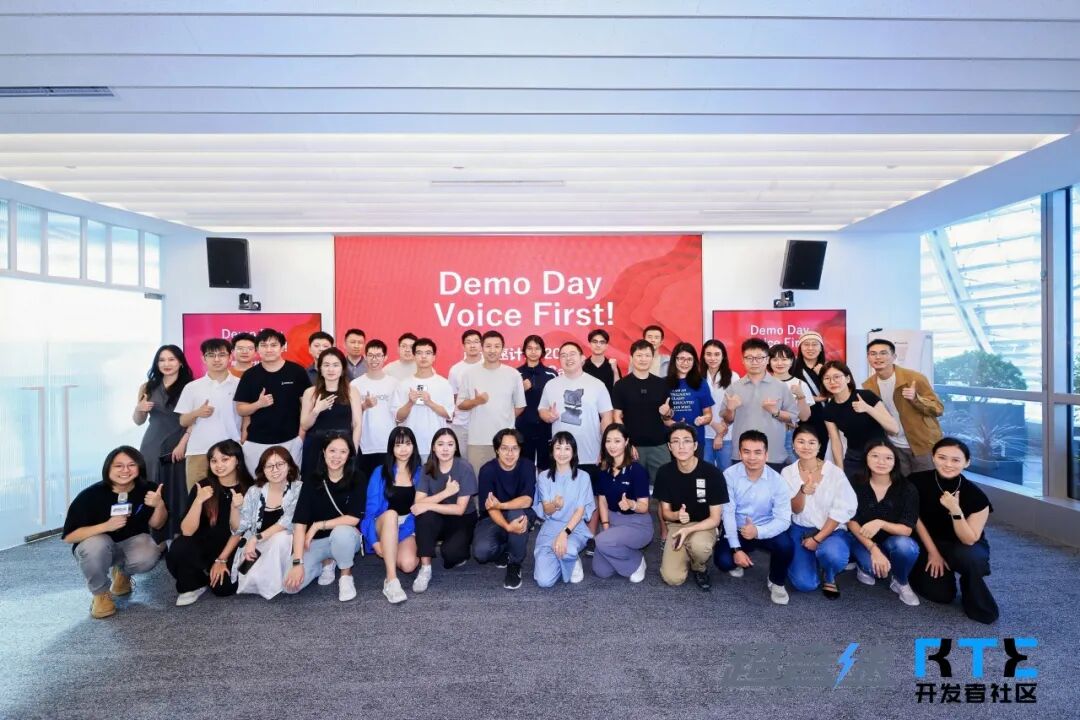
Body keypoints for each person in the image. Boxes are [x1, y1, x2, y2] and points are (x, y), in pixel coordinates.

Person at [63, 446, 167, 618]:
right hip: (98, 548)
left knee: (149, 553)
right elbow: (69, 536)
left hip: (131, 544)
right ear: (108, 468)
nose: (125, 470)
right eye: (118, 466)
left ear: (139, 467)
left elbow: (157, 524)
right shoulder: (89, 495)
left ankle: (122, 573)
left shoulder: (148, 489)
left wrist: (159, 505)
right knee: (95, 545)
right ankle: (100, 594)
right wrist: (106, 526)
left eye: (131, 465)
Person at [908, 438, 999, 624]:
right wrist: (933, 553)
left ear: (967, 463)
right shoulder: (915, 481)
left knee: (971, 558)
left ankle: (972, 586)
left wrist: (956, 511)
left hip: (962, 545)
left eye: (956, 460)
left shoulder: (977, 496)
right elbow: (915, 520)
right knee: (941, 595)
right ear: (933, 457)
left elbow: (969, 539)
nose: (948, 464)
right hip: (928, 542)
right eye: (942, 457)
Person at [539, 341, 613, 538]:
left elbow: (607, 417)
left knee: (591, 495)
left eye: (572, 354)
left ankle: (589, 536)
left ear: (582, 358)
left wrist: (604, 448)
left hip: (589, 451)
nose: (568, 358)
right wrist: (548, 416)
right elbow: (542, 410)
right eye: (563, 355)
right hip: (561, 454)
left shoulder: (596, 385)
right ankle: (564, 532)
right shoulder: (552, 385)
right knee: (563, 494)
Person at [166, 439, 253, 606]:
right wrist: (198, 501)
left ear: (238, 460)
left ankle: (212, 571)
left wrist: (221, 560)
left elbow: (240, 530)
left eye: (225, 459)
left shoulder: (250, 488)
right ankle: (194, 583)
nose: (219, 465)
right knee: (178, 548)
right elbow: (187, 531)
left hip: (234, 547)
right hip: (204, 545)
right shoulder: (202, 487)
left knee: (224, 589)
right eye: (214, 460)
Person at [715, 430, 795, 605]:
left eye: (758, 452)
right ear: (740, 453)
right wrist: (736, 549)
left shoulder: (778, 481)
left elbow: (783, 520)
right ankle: (740, 556)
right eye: (746, 451)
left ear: (766, 455)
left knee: (786, 546)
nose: (752, 457)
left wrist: (758, 531)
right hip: (737, 529)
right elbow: (727, 513)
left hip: (766, 528)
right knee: (723, 562)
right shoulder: (729, 475)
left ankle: (776, 581)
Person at [283, 433, 365, 602]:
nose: (337, 456)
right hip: (316, 542)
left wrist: (318, 525)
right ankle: (326, 562)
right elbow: (300, 523)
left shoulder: (357, 478)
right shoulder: (311, 480)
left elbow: (354, 518)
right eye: (332, 450)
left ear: (349, 455)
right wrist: (297, 562)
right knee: (290, 587)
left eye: (343, 451)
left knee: (342, 532)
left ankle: (346, 575)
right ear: (324, 452)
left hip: (346, 538)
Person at [781, 424, 856, 599]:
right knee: (805, 584)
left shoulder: (834, 472)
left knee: (833, 555)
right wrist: (802, 491)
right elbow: (794, 509)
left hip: (831, 530)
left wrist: (817, 538)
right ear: (793, 445)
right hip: (800, 530)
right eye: (801, 441)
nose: (806, 447)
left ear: (819, 446)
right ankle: (808, 559)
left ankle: (829, 574)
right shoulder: (787, 472)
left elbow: (843, 510)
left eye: (811, 442)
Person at [845, 439, 921, 606]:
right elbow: (851, 521)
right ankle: (862, 563)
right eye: (875, 456)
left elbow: (907, 529)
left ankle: (900, 581)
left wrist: (880, 523)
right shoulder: (855, 482)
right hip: (862, 539)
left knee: (907, 547)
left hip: (892, 540)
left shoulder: (907, 488)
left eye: (888, 458)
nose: (881, 462)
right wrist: (873, 549)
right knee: (872, 570)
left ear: (895, 462)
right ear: (866, 458)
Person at [654, 423, 728, 590]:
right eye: (676, 441)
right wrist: (676, 516)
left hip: (704, 524)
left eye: (686, 441)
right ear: (669, 447)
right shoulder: (664, 472)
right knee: (672, 578)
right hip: (676, 525)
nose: (681, 446)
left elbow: (715, 519)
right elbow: (665, 513)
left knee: (700, 547)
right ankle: (686, 552)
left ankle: (699, 566)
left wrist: (689, 530)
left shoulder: (712, 474)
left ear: (695, 445)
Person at [863, 338, 945, 476]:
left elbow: (938, 408)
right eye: (873, 353)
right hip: (893, 445)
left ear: (894, 356)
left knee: (928, 483)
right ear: (868, 358)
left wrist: (916, 399)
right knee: (902, 484)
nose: (878, 357)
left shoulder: (914, 378)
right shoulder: (869, 385)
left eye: (883, 353)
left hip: (923, 444)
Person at [234, 328, 310, 474]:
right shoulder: (250, 375)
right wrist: (258, 404)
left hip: (291, 440)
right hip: (256, 441)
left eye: (273, 345)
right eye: (263, 345)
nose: (269, 349)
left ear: (282, 347)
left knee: (290, 482)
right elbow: (241, 409)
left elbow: (306, 406)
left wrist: (301, 437)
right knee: (259, 483)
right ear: (257, 349)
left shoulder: (297, 372)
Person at [230, 445, 302, 600]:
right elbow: (239, 528)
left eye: (280, 464)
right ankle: (263, 577)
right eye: (269, 466)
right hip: (257, 546)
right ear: (263, 470)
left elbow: (287, 521)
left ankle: (272, 584)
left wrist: (255, 538)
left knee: (281, 537)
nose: (275, 470)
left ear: (289, 466)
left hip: (287, 546)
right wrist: (234, 508)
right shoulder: (254, 491)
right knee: (247, 579)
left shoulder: (298, 488)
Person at [412, 428, 478, 593]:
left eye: (450, 444)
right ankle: (425, 568)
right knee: (424, 517)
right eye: (440, 444)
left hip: (463, 518)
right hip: (438, 516)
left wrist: (428, 504)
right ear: (433, 448)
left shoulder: (464, 468)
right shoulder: (427, 468)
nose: (445, 449)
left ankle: (460, 547)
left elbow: (459, 509)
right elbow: (418, 502)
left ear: (456, 448)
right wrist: (446, 493)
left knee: (451, 556)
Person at [361, 427, 422, 604]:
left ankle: (393, 551)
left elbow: (419, 510)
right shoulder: (380, 472)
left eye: (407, 444)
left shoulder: (421, 473)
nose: (403, 449)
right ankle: (391, 580)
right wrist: (375, 542)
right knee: (391, 514)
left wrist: (397, 537)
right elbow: (369, 513)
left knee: (409, 565)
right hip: (383, 522)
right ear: (391, 448)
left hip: (408, 524)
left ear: (414, 446)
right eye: (398, 445)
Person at [471, 428, 537, 590]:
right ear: (496, 450)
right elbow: (490, 508)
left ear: (520, 450)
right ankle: (505, 548)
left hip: (520, 513)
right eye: (504, 448)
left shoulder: (528, 466)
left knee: (517, 515)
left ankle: (514, 564)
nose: (510, 453)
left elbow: (526, 500)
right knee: (481, 552)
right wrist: (507, 526)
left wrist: (501, 505)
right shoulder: (487, 470)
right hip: (492, 517)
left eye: (514, 448)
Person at [722, 338, 799, 473]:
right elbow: (727, 420)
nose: (754, 362)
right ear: (743, 360)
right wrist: (730, 409)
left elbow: (794, 417)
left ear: (767, 359)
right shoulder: (734, 388)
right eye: (749, 358)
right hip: (743, 455)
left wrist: (776, 412)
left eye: (759, 357)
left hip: (773, 454)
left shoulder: (780, 386)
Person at [177, 338, 242, 492]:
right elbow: (183, 421)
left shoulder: (240, 384)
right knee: (197, 498)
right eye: (211, 355)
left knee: (233, 497)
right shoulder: (192, 387)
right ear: (203, 358)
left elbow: (247, 416)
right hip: (199, 451)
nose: (217, 359)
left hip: (231, 451)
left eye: (221, 355)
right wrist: (197, 413)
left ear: (230, 357)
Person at [457, 330, 527, 472]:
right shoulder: (469, 374)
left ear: (503, 349)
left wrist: (504, 417)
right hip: (478, 440)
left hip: (506, 441)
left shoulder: (513, 374)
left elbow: (520, 406)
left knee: (506, 482)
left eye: (497, 346)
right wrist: (476, 401)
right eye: (488, 346)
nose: (492, 350)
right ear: (482, 348)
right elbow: (460, 404)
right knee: (478, 480)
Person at [532, 432, 596, 587]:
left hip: (574, 527)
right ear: (552, 451)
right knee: (544, 581)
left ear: (573, 452)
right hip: (550, 528)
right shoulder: (544, 477)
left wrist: (564, 534)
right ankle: (563, 559)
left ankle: (572, 559)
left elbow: (580, 511)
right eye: (558, 448)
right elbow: (546, 509)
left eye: (567, 448)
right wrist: (555, 505)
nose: (562, 453)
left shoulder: (583, 477)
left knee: (568, 549)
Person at [820, 360, 900, 480]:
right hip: (854, 456)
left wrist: (868, 408)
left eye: (837, 377)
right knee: (851, 489)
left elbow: (894, 428)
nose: (832, 382)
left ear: (847, 378)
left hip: (880, 453)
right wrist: (840, 470)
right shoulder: (829, 409)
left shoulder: (866, 396)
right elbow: (835, 442)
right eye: (827, 378)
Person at [592, 424, 652, 582]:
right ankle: (622, 549)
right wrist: (605, 526)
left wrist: (632, 504)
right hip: (613, 521)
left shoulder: (637, 471)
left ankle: (637, 562)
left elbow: (644, 507)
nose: (612, 445)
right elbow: (602, 501)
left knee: (602, 541)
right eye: (608, 441)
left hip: (637, 524)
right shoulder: (603, 470)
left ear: (626, 442)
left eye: (617, 441)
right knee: (601, 571)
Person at [611, 339, 671, 485]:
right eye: (639, 355)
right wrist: (627, 444)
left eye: (647, 355)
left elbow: (668, 417)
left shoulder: (662, 384)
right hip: (633, 447)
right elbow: (617, 417)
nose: (643, 359)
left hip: (659, 446)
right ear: (631, 358)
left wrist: (667, 412)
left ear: (652, 358)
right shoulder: (621, 385)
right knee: (631, 488)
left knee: (663, 487)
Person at [134, 344, 193, 486]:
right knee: (150, 482)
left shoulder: (191, 387)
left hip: (180, 443)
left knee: (177, 484)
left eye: (171, 359)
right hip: (152, 442)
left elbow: (195, 421)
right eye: (162, 360)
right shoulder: (147, 387)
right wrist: (139, 409)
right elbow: (139, 421)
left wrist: (183, 444)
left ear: (180, 362)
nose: (166, 364)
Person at [300, 347, 362, 478]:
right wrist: (316, 410)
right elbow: (304, 425)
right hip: (316, 448)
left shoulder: (352, 391)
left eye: (335, 365)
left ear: (342, 369)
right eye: (326, 365)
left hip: (343, 448)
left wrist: (353, 450)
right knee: (314, 485)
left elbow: (357, 424)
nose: (331, 369)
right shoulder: (310, 392)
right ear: (320, 369)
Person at [393, 337, 454, 462]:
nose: (423, 356)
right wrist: (410, 403)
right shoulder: (403, 384)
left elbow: (448, 414)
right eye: (419, 353)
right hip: (410, 446)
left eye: (428, 353)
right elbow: (398, 417)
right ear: (414, 356)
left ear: (434, 357)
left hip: (435, 446)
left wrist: (429, 402)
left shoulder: (443, 383)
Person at [351, 339, 399, 479]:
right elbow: (350, 416)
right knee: (364, 484)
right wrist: (364, 406)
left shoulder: (395, 383)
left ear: (385, 357)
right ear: (365, 357)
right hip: (363, 444)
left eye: (378, 355)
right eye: (371, 355)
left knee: (386, 483)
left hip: (388, 444)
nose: (374, 359)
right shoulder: (355, 384)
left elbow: (400, 416)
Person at [661, 342, 714, 452]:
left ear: (694, 362)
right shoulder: (663, 383)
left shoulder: (701, 383)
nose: (685, 363)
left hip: (695, 440)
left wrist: (703, 419)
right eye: (681, 359)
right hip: (671, 441)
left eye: (689, 359)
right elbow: (662, 417)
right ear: (674, 360)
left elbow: (708, 415)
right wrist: (675, 425)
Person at [767, 343, 814, 465]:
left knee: (792, 469)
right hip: (766, 434)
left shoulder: (800, 384)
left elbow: (804, 417)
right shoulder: (763, 383)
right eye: (775, 359)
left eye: (784, 359)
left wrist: (800, 395)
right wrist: (787, 419)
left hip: (790, 435)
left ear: (791, 361)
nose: (780, 363)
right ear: (768, 362)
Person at [516, 334, 557, 472]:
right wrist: (521, 389)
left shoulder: (551, 374)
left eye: (537, 348)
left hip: (545, 428)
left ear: (543, 351)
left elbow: (555, 401)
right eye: (529, 348)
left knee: (545, 468)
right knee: (523, 467)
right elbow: (508, 401)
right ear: (524, 351)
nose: (533, 352)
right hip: (522, 428)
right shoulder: (516, 374)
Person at [701, 339, 738, 470]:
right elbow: (695, 406)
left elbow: (734, 408)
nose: (713, 358)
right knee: (705, 474)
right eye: (708, 354)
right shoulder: (697, 377)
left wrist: (720, 434)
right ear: (703, 356)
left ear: (723, 356)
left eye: (717, 354)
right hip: (703, 434)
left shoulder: (733, 377)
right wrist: (712, 424)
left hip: (727, 435)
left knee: (727, 473)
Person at [791, 331, 828, 455]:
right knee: (802, 453)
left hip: (826, 419)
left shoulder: (828, 367)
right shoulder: (792, 367)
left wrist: (822, 374)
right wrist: (814, 398)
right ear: (800, 348)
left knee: (822, 454)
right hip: (801, 419)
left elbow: (838, 390)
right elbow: (788, 392)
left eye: (814, 344)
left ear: (821, 348)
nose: (810, 348)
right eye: (806, 344)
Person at [448, 329, 483, 451]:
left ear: (481, 345)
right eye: (468, 342)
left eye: (476, 342)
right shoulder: (455, 370)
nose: (472, 345)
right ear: (463, 346)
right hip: (462, 423)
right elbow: (454, 396)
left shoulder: (489, 366)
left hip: (485, 423)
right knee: (462, 458)